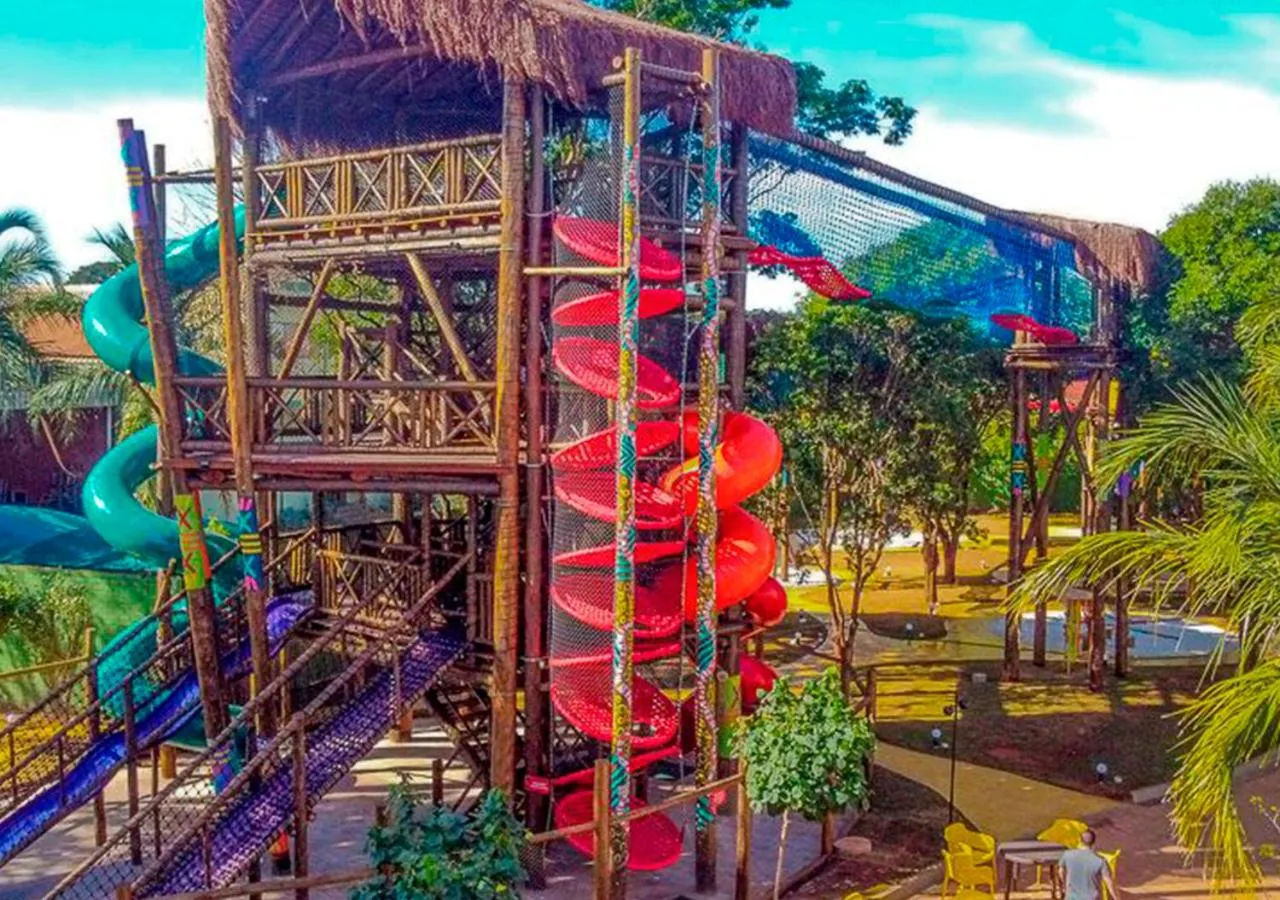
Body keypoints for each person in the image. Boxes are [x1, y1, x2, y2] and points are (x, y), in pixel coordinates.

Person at [1059, 829, 1119, 900]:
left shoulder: (1067, 855)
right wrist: (1117, 898)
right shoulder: (1100, 861)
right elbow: (1109, 882)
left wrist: (1064, 886)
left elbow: (1061, 871)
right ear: (1094, 843)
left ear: (1080, 841)